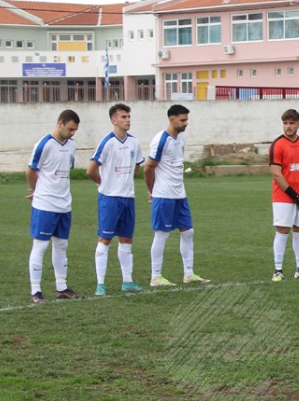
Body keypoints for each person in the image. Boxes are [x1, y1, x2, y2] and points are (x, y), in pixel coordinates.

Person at [144, 104, 210, 287]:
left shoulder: (180, 137)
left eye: (187, 119)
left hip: (180, 194)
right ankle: (155, 276)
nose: (186, 123)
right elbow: (149, 168)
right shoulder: (161, 140)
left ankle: (188, 274)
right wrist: (152, 190)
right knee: (162, 234)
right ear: (171, 119)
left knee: (188, 232)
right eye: (182, 120)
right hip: (164, 195)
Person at [26, 109, 84, 303]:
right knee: (40, 246)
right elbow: (31, 171)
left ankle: (62, 287)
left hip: (64, 204)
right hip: (45, 204)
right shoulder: (44, 144)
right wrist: (37, 190)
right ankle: (36, 291)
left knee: (61, 245)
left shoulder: (72, 145)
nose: (72, 133)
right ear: (60, 123)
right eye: (70, 129)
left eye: (75, 130)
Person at [87, 103, 144, 296]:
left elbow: (137, 167)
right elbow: (91, 170)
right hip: (109, 198)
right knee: (105, 239)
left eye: (128, 116)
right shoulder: (107, 142)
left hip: (128, 198)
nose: (127, 120)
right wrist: (101, 184)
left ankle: (127, 281)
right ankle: (100, 284)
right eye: (123, 117)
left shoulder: (134, 143)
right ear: (113, 120)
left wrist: (125, 181)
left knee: (127, 239)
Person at [268, 108, 299, 282]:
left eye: (291, 123)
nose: (288, 127)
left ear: (298, 124)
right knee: (282, 230)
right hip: (283, 197)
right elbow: (276, 173)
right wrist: (293, 195)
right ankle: (278, 270)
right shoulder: (277, 145)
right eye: (285, 123)